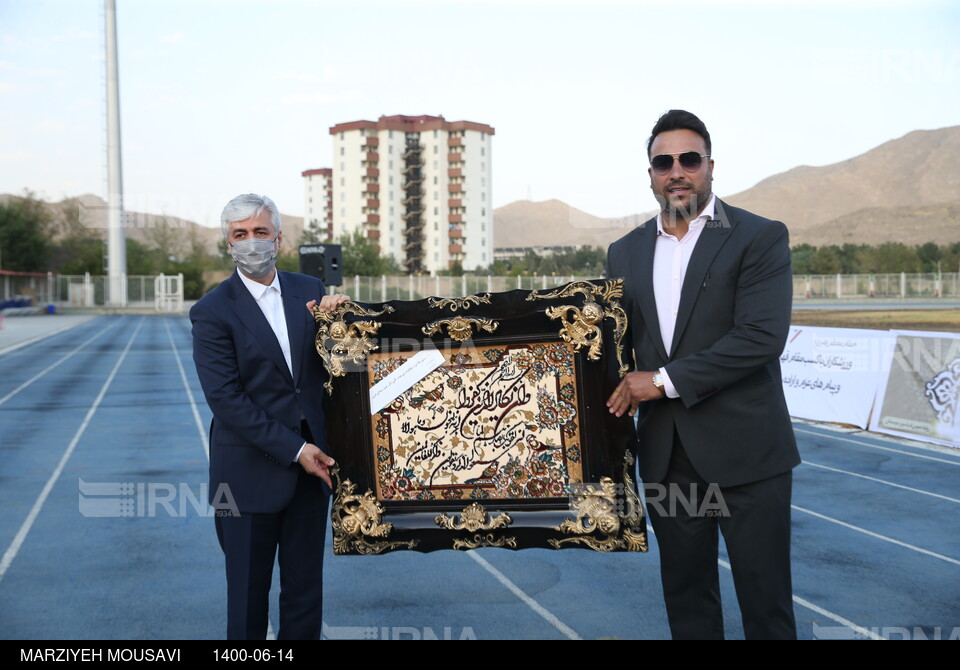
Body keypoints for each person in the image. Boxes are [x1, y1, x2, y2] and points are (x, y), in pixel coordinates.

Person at [606, 110, 800, 639]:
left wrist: (662, 380)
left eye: (689, 160)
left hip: (748, 456)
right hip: (670, 459)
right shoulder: (623, 252)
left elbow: (760, 337)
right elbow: (610, 350)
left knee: (766, 604)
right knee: (688, 601)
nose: (677, 171)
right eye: (662, 162)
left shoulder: (758, 238)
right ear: (649, 174)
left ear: (710, 167)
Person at [191, 193, 348, 640]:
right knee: (246, 601)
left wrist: (345, 323)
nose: (251, 242)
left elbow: (333, 371)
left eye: (260, 232)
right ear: (228, 244)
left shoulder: (310, 292)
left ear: (279, 238)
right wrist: (296, 449)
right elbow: (226, 399)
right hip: (244, 478)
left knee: (304, 595)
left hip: (310, 473)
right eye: (240, 235)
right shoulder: (212, 311)